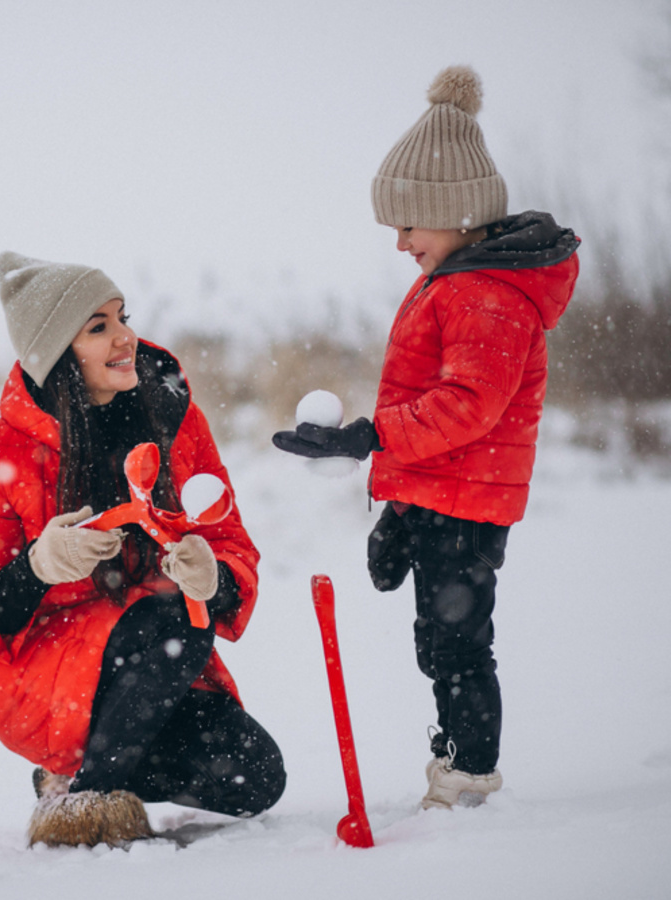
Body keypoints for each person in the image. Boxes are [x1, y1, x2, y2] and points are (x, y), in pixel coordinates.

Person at [272, 66, 579, 810]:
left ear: (458, 211)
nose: (401, 242)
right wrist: (400, 506)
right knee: (439, 642)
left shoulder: (486, 293)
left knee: (457, 644)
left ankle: (470, 772)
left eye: (409, 224)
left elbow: (466, 407)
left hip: (467, 504)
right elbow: (442, 416)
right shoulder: (462, 280)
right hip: (443, 495)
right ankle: (454, 751)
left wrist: (367, 439)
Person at [0, 251, 286, 847]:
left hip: (154, 660)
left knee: (254, 775)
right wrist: (37, 567)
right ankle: (88, 806)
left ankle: (85, 769)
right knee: (178, 617)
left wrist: (215, 576)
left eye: (122, 316)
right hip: (37, 669)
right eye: (98, 327)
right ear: (56, 353)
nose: (126, 336)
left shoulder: (173, 420)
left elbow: (230, 543)